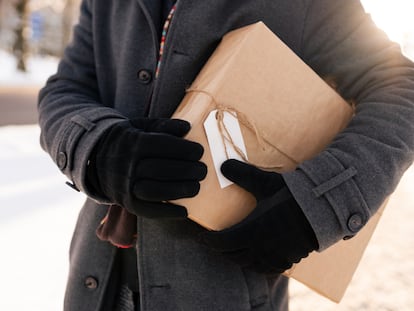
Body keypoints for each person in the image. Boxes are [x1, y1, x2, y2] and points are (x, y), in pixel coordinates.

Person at [38, 1, 414, 310]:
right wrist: (99, 149)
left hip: (224, 293)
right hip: (97, 282)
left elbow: (401, 87)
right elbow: (67, 86)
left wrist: (318, 203)